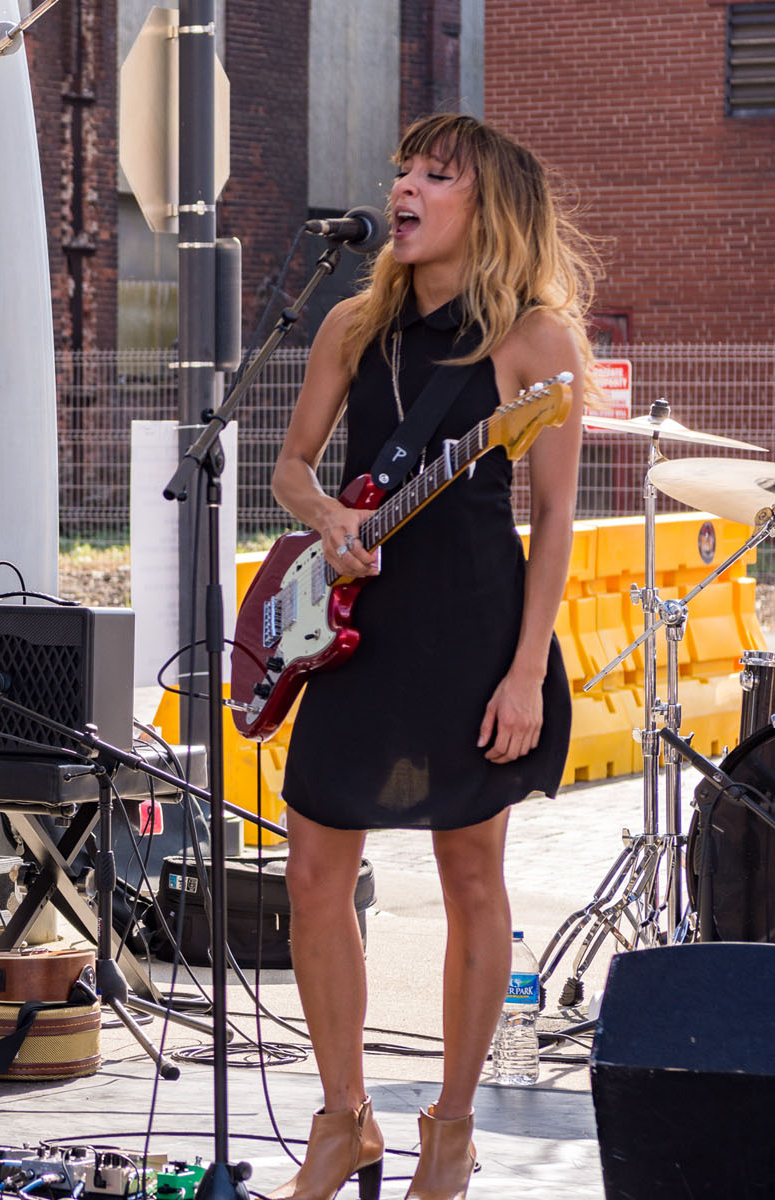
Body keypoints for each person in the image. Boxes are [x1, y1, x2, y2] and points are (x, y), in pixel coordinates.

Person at [266, 113, 592, 1200]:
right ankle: (343, 1117)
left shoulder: (535, 342)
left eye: (433, 175)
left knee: (471, 874)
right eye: (401, 169)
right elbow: (293, 467)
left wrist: (524, 671)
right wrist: (327, 519)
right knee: (315, 872)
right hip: (355, 626)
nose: (404, 188)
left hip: (471, 623)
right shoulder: (351, 327)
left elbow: (551, 521)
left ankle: (450, 1131)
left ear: (485, 207)